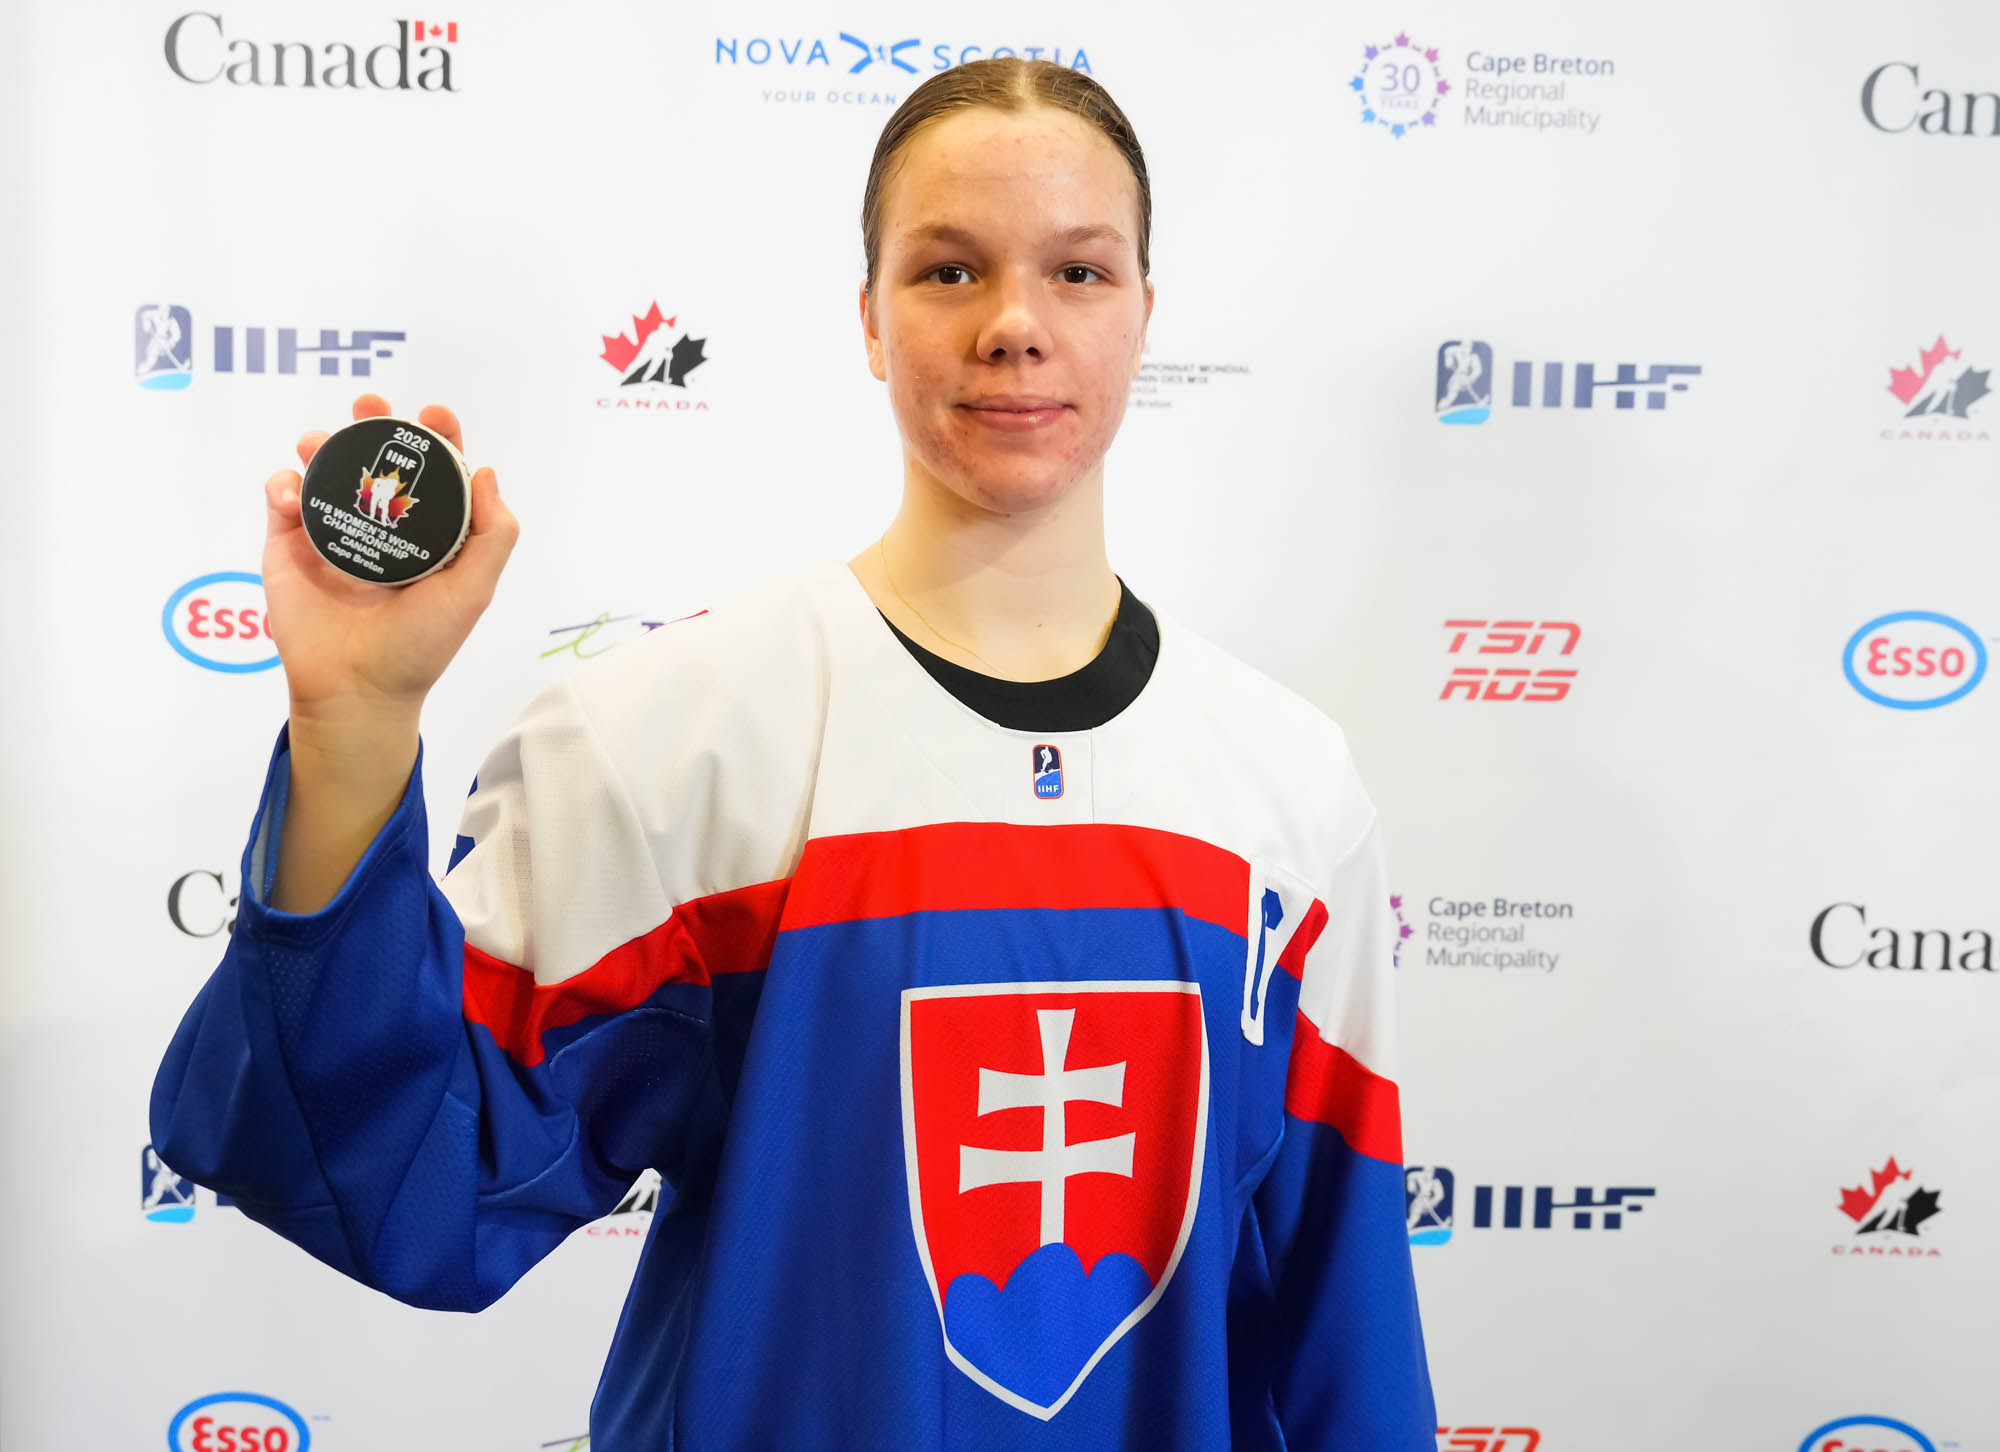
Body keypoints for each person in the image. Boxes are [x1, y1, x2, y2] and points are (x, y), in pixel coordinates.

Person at [150, 58, 1435, 1449]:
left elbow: (1343, 1335)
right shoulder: (678, 735)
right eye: (949, 270)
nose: (1015, 325)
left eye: (1078, 271)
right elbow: (405, 1169)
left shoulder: (1286, 792)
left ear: (1143, 314)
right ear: (871, 318)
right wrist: (354, 723)